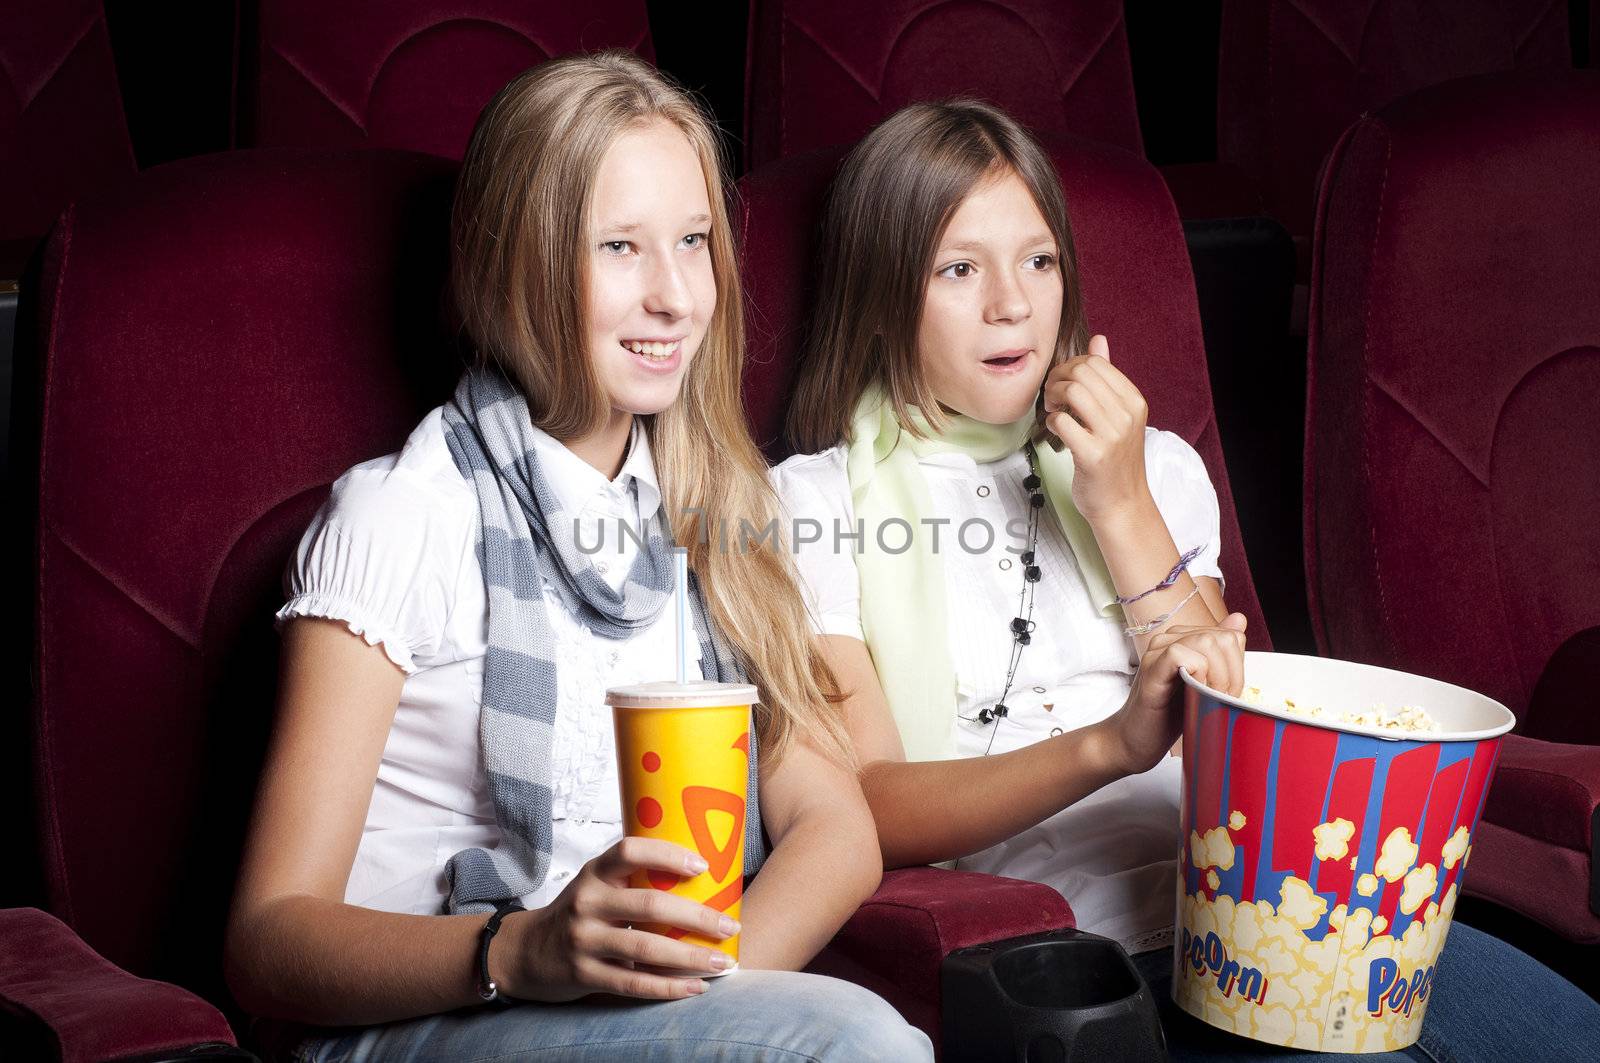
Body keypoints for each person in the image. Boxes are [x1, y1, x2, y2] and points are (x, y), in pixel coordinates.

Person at [773, 97, 1600, 1062]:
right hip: (1069, 953)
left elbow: (1240, 716)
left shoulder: (1153, 464)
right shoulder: (810, 502)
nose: (1014, 304)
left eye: (1039, 260)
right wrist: (1113, 744)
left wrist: (1119, 501)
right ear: (880, 297)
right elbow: (871, 801)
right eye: (959, 269)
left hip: (1273, 898)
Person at [224, 52, 932, 1062]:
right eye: (619, 248)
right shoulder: (401, 514)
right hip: (428, 1017)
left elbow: (835, 828)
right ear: (522, 263)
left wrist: (691, 1004)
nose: (675, 297)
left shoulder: (722, 508)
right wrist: (525, 951)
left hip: (631, 1015)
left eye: (693, 243)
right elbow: (267, 937)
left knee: (850, 1036)